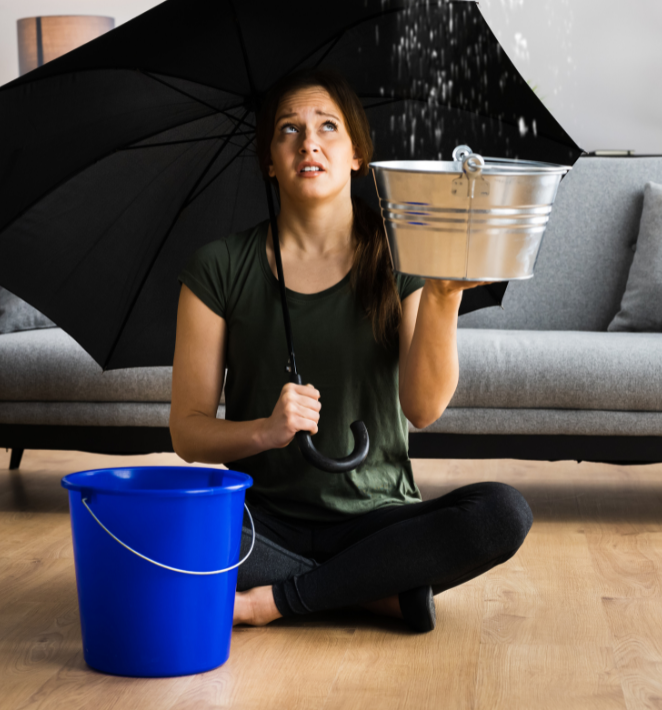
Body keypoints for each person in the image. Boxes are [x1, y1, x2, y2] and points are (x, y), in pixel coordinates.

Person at [169, 69, 532, 633]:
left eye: (327, 127)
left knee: (501, 513)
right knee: (165, 525)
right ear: (269, 160)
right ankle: (372, 587)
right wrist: (264, 431)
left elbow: (424, 408)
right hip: (259, 521)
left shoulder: (404, 252)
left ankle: (278, 600)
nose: (308, 141)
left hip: (380, 518)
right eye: (288, 129)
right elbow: (187, 433)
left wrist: (440, 296)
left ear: (358, 154)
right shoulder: (217, 266)